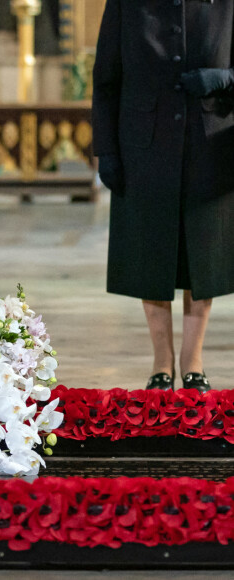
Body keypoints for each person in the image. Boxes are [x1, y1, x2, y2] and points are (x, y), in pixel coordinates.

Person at [92, 1, 234, 394]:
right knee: (149, 257)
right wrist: (106, 150)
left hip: (210, 147)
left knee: (201, 259)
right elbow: (106, 79)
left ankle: (193, 363)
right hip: (144, 149)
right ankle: (161, 364)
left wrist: (223, 78)